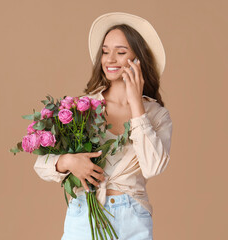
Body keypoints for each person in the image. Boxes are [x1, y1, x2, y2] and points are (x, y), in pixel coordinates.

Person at [33, 12, 173, 240]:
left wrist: (137, 105)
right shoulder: (82, 108)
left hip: (134, 221)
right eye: (105, 52)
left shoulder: (157, 115)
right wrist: (69, 162)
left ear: (139, 59)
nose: (110, 59)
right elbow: (41, 164)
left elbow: (153, 167)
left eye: (121, 52)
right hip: (84, 217)